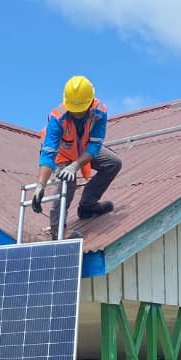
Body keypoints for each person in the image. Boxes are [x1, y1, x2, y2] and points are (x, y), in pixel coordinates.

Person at [31, 75, 123, 239]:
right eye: (75, 111)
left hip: (85, 150)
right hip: (63, 154)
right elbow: (48, 153)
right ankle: (57, 230)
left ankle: (87, 205)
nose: (78, 115)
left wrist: (75, 165)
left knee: (113, 163)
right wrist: (41, 186)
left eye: (81, 111)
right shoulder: (57, 117)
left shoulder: (99, 112)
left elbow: (95, 145)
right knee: (67, 181)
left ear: (90, 102)